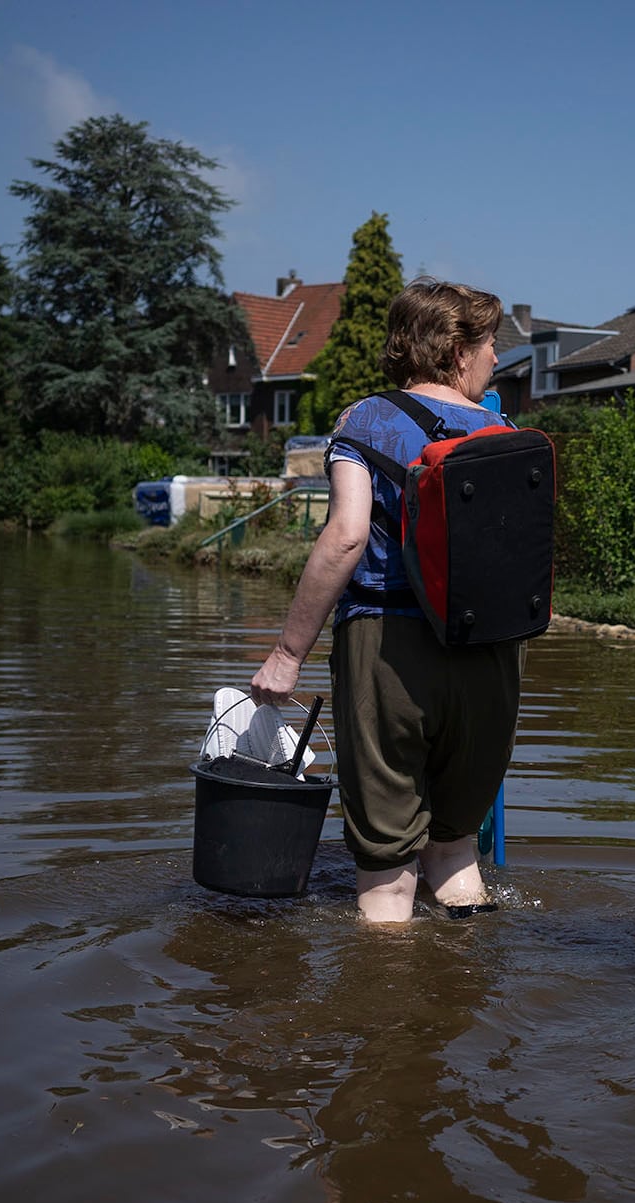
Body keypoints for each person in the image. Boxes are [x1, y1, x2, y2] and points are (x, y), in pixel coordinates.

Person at [250, 279, 519, 924]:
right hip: (490, 660)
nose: (495, 359)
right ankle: (464, 998)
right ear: (455, 352)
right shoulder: (505, 430)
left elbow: (346, 538)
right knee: (456, 852)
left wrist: (288, 654)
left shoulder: (366, 420)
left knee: (386, 866)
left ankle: (387, 1015)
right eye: (487, 345)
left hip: (389, 651)